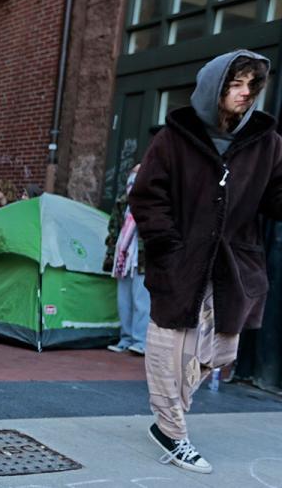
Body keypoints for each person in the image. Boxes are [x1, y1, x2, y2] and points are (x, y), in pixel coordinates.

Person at [129, 50, 282, 474]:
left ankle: (170, 415)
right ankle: (172, 431)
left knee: (221, 350)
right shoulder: (175, 137)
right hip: (180, 259)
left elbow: (275, 198)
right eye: (236, 84)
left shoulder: (266, 141)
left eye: (252, 85)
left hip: (233, 264)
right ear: (215, 87)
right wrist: (167, 247)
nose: (246, 93)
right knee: (169, 348)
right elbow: (146, 196)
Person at [103, 164, 149, 355]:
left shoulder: (151, 202)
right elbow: (114, 228)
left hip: (141, 259)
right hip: (123, 258)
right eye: (132, 174)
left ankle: (140, 341)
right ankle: (126, 338)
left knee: (141, 301)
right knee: (124, 301)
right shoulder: (123, 203)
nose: (133, 179)